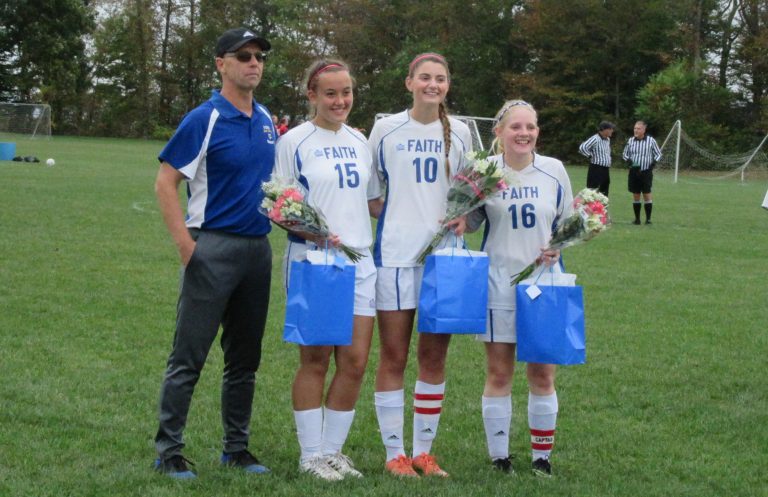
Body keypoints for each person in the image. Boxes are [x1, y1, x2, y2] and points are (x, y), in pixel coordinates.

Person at [152, 27, 276, 480]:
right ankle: (168, 451)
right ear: (221, 63)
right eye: (243, 55)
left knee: (245, 359)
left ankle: (236, 448)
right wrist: (187, 245)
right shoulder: (203, 118)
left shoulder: (265, 119)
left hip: (256, 251)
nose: (253, 63)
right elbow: (166, 182)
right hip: (213, 247)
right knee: (190, 356)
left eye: (259, 56)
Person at [273, 58, 382, 481]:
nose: (340, 101)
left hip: (361, 262)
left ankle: (333, 452)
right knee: (315, 361)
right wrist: (313, 231)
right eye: (331, 93)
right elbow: (276, 205)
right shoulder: (294, 141)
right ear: (312, 95)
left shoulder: (360, 141)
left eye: (346, 92)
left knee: (354, 361)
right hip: (313, 262)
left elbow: (373, 203)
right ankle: (310, 454)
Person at [367, 52, 473, 478]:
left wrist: (462, 217)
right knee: (393, 354)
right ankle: (395, 454)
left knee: (433, 357)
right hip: (394, 257)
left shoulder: (462, 133)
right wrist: (405, 220)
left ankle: (424, 453)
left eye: (441, 79)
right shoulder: (385, 128)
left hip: (444, 261)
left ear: (448, 85)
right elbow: (373, 196)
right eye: (425, 77)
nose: (433, 84)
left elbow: (471, 194)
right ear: (409, 82)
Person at [465, 99, 574, 477]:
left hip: (545, 286)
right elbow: (471, 222)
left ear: (538, 131)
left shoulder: (555, 171)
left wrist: (559, 246)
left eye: (530, 127)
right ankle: (499, 458)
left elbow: (569, 225)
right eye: (515, 127)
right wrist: (455, 213)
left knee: (543, 374)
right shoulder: (486, 172)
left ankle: (542, 457)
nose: (524, 133)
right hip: (498, 285)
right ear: (499, 133)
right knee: (499, 373)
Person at [623, 120, 661, 224]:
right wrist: (630, 162)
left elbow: (658, 154)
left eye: (638, 128)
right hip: (634, 172)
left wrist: (653, 164)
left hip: (646, 171)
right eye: (635, 128)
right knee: (636, 194)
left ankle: (648, 219)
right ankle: (637, 219)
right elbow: (625, 154)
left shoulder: (651, 141)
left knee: (647, 194)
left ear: (644, 130)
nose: (636, 130)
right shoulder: (630, 141)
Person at [579, 121, 615, 196]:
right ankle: (591, 207)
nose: (612, 130)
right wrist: (589, 155)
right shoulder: (595, 138)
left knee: (604, 189)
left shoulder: (607, 139)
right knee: (593, 189)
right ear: (604, 130)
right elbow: (582, 147)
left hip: (605, 168)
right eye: (610, 129)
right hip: (596, 168)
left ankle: (603, 207)